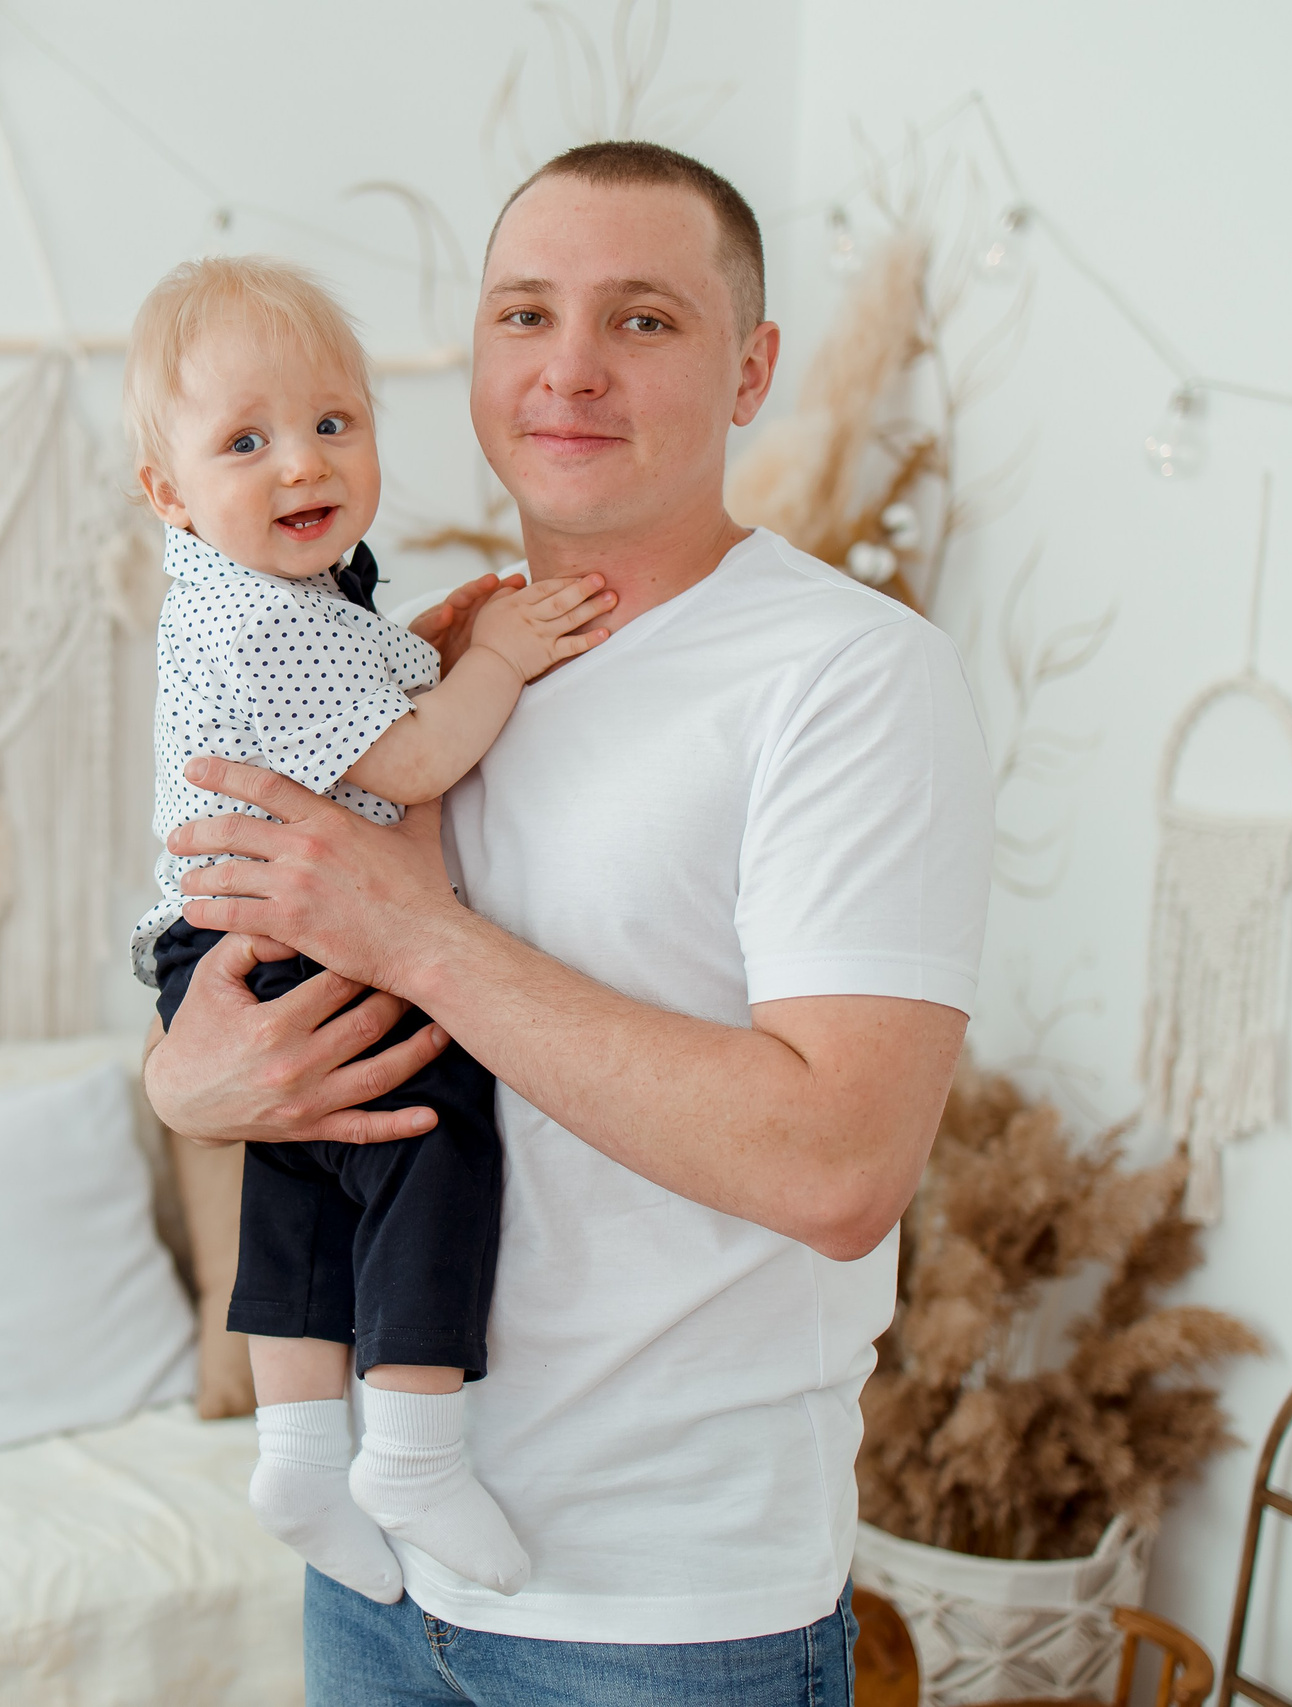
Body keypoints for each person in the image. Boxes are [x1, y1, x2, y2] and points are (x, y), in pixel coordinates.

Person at [144, 141, 995, 1706]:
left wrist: (418, 941)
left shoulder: (851, 678)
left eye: (646, 321)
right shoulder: (438, 662)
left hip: (668, 1616)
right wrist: (186, 1084)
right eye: (524, 315)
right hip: (380, 1586)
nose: (571, 371)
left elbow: (837, 1168)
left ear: (751, 373)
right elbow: (262, 982)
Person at [122, 255, 617, 1606]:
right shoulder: (273, 614)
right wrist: (500, 661)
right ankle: (410, 1444)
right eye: (246, 442)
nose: (303, 465)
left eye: (334, 423)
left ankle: (295, 1447)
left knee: (305, 1161)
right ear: (169, 494)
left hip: (216, 931)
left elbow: (352, 704)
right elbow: (402, 770)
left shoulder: (264, 597)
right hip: (280, 921)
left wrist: (426, 646)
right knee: (427, 1128)